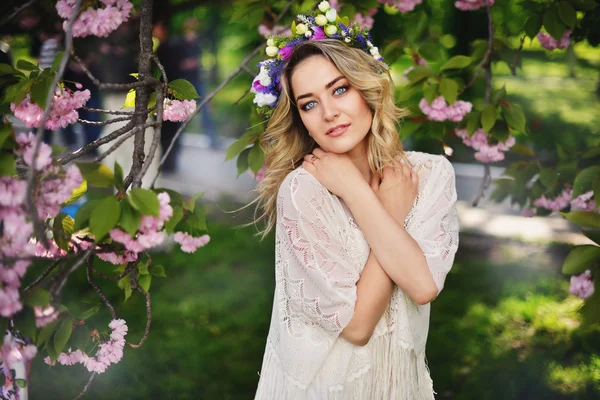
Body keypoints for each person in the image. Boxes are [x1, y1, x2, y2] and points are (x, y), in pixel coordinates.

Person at [250, 7, 459, 400]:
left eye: (340, 89)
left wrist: (361, 193)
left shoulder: (430, 175)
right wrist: (374, 201)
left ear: (367, 89)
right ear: (300, 119)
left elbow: (422, 285)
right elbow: (358, 327)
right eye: (309, 104)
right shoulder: (303, 192)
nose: (329, 113)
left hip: (400, 387)